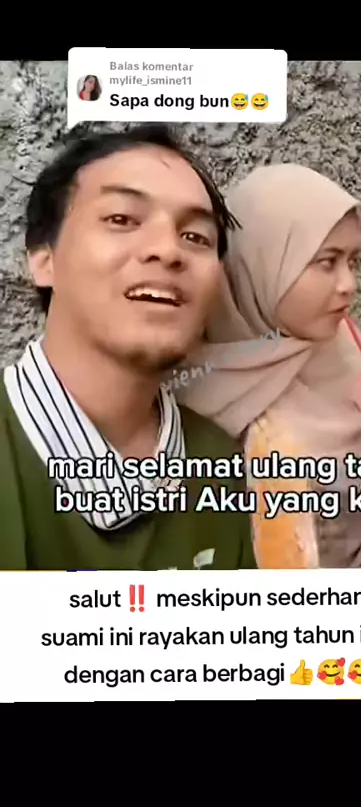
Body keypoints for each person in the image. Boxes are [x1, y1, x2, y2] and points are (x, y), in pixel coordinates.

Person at [176, 164, 361, 569]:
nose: (349, 284)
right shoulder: (200, 399)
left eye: (353, 261)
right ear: (262, 265)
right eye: (327, 262)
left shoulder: (341, 345)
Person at [0, 124, 256, 571]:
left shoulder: (217, 460)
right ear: (43, 259)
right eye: (122, 219)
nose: (168, 250)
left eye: (196, 237)